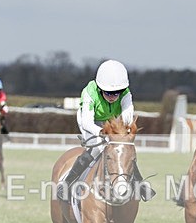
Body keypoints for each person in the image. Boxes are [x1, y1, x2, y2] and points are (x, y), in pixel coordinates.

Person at [56, 59, 155, 202]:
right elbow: (87, 122)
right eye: (108, 93)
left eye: (117, 93)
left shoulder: (126, 93)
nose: (113, 97)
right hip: (91, 122)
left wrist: (121, 136)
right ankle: (66, 184)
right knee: (97, 148)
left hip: (111, 122)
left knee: (123, 150)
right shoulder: (90, 92)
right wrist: (104, 134)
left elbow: (127, 118)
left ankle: (139, 185)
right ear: (99, 88)